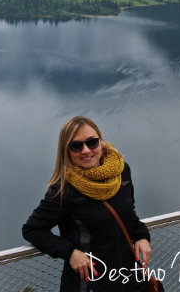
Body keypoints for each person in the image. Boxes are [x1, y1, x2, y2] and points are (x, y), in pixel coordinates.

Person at [22, 116, 152, 292]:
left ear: (100, 141)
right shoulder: (65, 190)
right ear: (66, 151)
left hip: (131, 281)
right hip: (90, 284)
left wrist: (141, 236)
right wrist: (70, 253)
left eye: (92, 142)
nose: (86, 150)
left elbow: (129, 215)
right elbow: (32, 229)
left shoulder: (121, 172)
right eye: (76, 146)